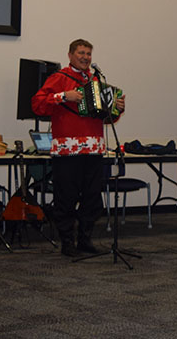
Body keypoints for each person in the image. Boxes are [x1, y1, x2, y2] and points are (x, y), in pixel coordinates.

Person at [31, 38, 126, 257]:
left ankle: (85, 239)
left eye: (88, 54)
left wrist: (117, 108)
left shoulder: (96, 80)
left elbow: (106, 117)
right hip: (68, 151)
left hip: (94, 149)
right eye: (81, 53)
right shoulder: (59, 78)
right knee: (66, 197)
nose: (85, 57)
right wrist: (65, 96)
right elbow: (37, 103)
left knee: (93, 198)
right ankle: (67, 242)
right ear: (70, 55)